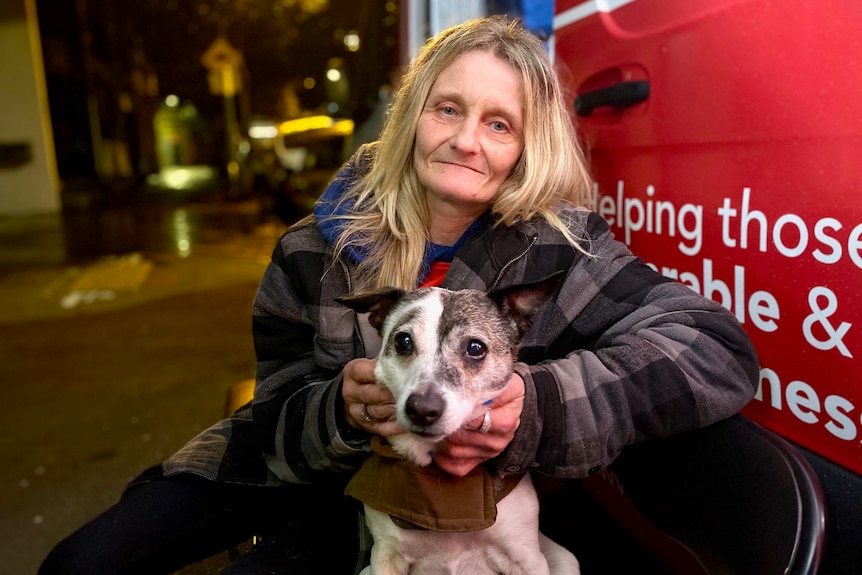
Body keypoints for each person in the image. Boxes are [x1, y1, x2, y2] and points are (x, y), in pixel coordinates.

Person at [40, 15, 759, 575]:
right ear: (411, 114)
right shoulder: (311, 247)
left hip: (435, 509)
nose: (467, 141)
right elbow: (275, 410)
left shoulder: (559, 252)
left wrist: (537, 408)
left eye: (498, 123)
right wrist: (340, 410)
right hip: (301, 470)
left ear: (525, 145)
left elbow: (716, 348)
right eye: (447, 109)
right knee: (76, 563)